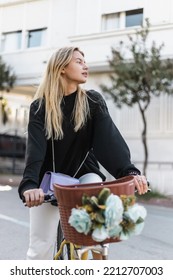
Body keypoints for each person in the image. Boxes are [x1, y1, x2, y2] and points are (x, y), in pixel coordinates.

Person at [18, 46, 148, 260]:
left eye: (84, 61)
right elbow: (35, 151)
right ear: (61, 68)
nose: (85, 65)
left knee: (95, 241)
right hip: (48, 183)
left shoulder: (92, 102)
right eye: (78, 61)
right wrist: (30, 185)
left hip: (84, 176)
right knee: (39, 249)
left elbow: (109, 141)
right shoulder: (40, 107)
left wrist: (129, 172)